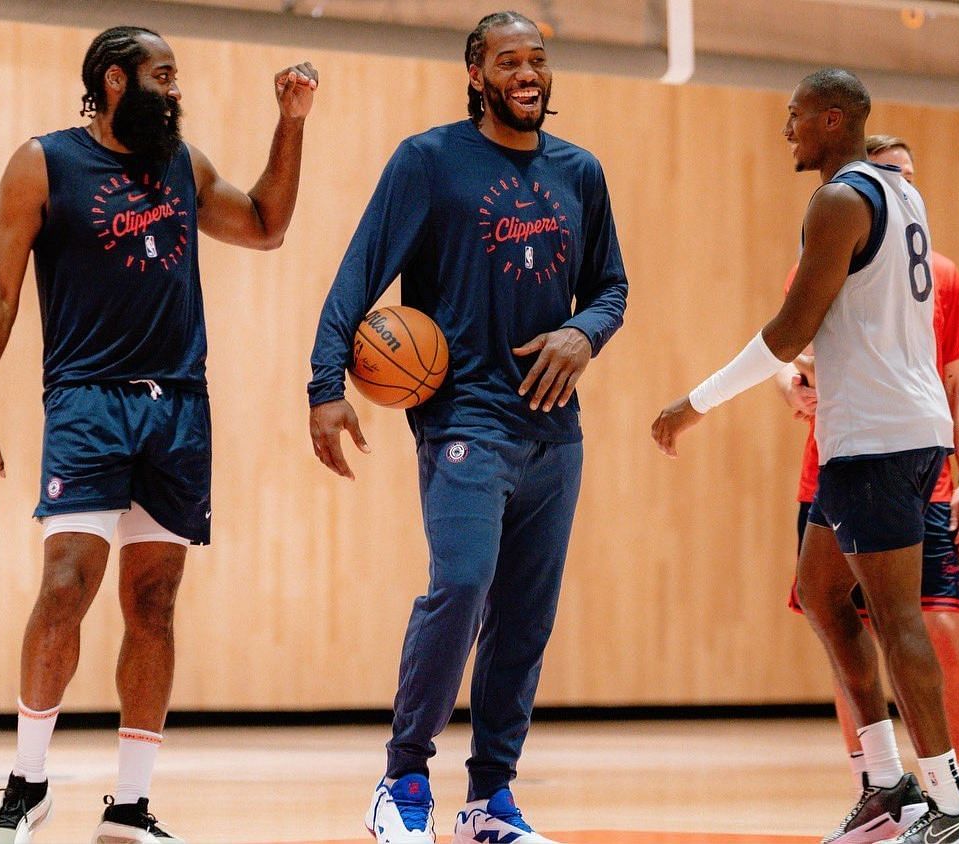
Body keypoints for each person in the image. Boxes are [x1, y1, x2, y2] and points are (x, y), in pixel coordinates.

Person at [0, 25, 316, 844]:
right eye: (164, 75)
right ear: (115, 82)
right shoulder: (44, 163)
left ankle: (130, 804)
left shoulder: (182, 168)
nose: (177, 89)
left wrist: (290, 123)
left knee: (153, 603)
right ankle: (28, 782)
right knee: (66, 583)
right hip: (87, 400)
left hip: (179, 407)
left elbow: (265, 225)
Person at [306, 11, 627, 844]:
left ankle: (490, 800)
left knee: (525, 615)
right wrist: (324, 383)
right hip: (463, 417)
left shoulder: (579, 172)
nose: (528, 72)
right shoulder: (430, 161)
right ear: (476, 73)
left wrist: (581, 332)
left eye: (539, 60)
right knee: (461, 584)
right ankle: (403, 780)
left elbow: (612, 288)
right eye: (509, 60)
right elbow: (360, 271)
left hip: (556, 430)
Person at [652, 69, 959, 844]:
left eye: (796, 117)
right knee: (819, 592)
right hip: (876, 432)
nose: (788, 131)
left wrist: (691, 405)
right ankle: (886, 782)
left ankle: (949, 805)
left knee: (898, 618)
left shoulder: (842, 198)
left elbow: (788, 332)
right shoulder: (901, 192)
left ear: (833, 120)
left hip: (880, 436)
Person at [776, 135, 959, 843]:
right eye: (886, 175)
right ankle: (883, 787)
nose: (899, 187)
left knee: (928, 625)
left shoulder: (936, 273)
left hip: (898, 457)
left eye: (908, 176)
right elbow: (792, 353)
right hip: (836, 460)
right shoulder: (828, 247)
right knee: (832, 613)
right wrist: (790, 384)